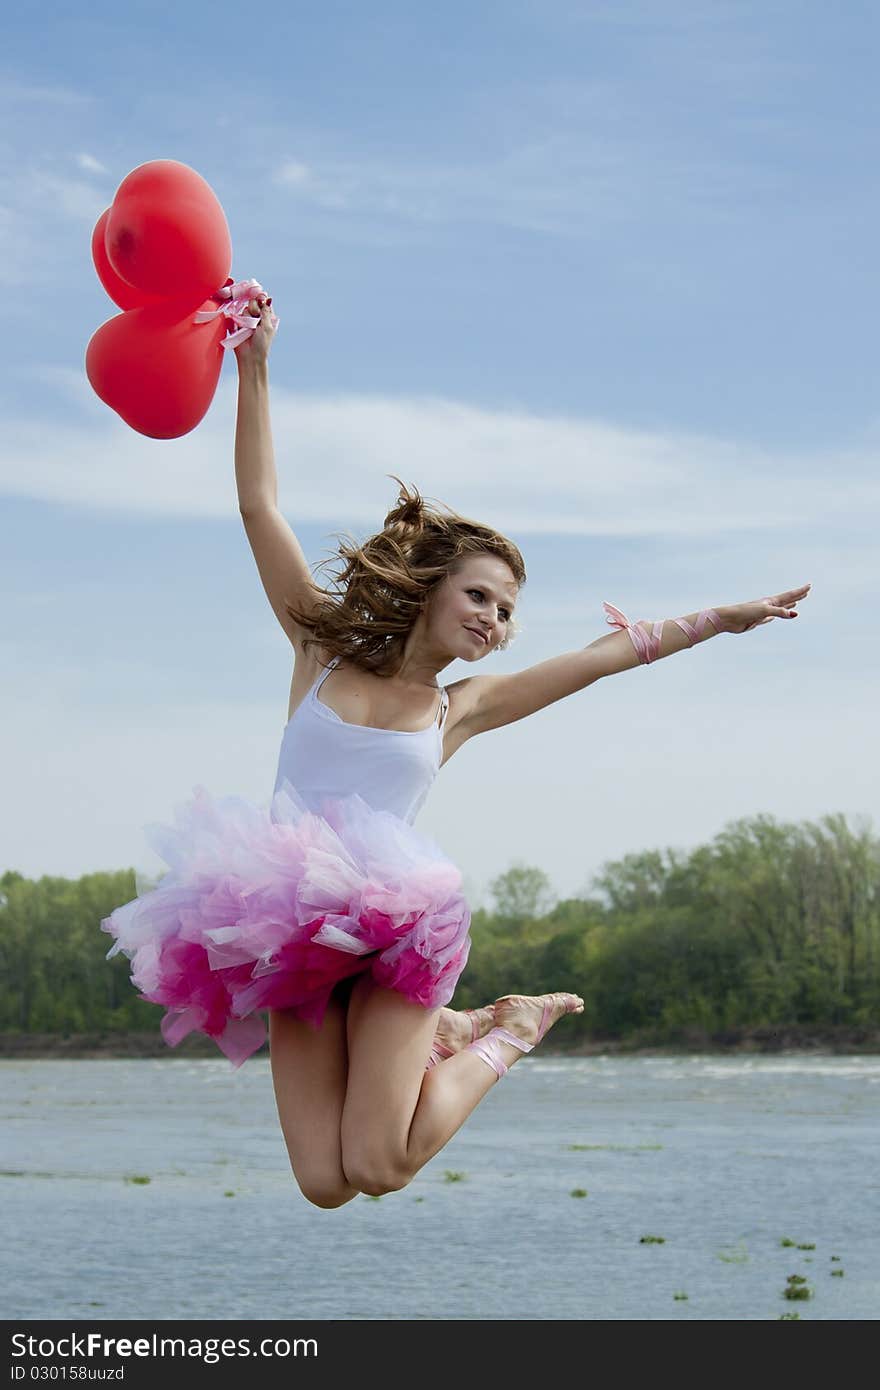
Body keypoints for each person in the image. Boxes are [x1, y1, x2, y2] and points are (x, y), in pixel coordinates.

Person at [103, 290, 811, 1210]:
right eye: (480, 595)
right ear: (433, 587)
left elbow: (600, 660)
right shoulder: (318, 650)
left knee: (381, 1168)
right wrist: (255, 365)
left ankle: (507, 1029)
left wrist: (718, 619)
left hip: (397, 931)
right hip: (285, 928)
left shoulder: (459, 710)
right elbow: (256, 505)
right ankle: (452, 1029)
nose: (494, 619)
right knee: (324, 1183)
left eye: (508, 610)